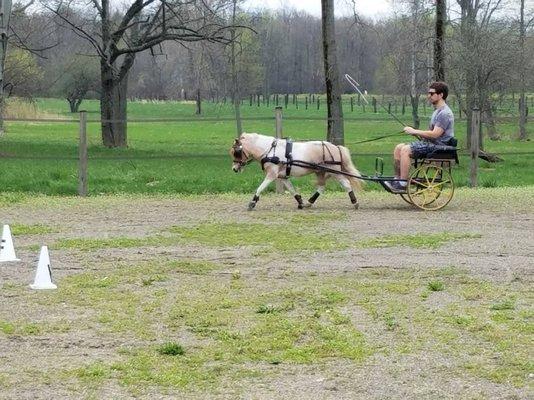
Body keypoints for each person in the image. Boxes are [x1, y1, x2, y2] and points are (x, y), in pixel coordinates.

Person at [386, 81, 455, 193]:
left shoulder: (445, 114)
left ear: (441, 95)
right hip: (432, 144)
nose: (429, 96)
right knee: (398, 147)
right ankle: (396, 179)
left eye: (432, 94)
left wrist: (415, 131)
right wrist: (415, 133)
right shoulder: (437, 111)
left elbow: (435, 134)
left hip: (438, 147)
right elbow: (432, 133)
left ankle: (403, 183)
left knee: (405, 149)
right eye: (428, 93)